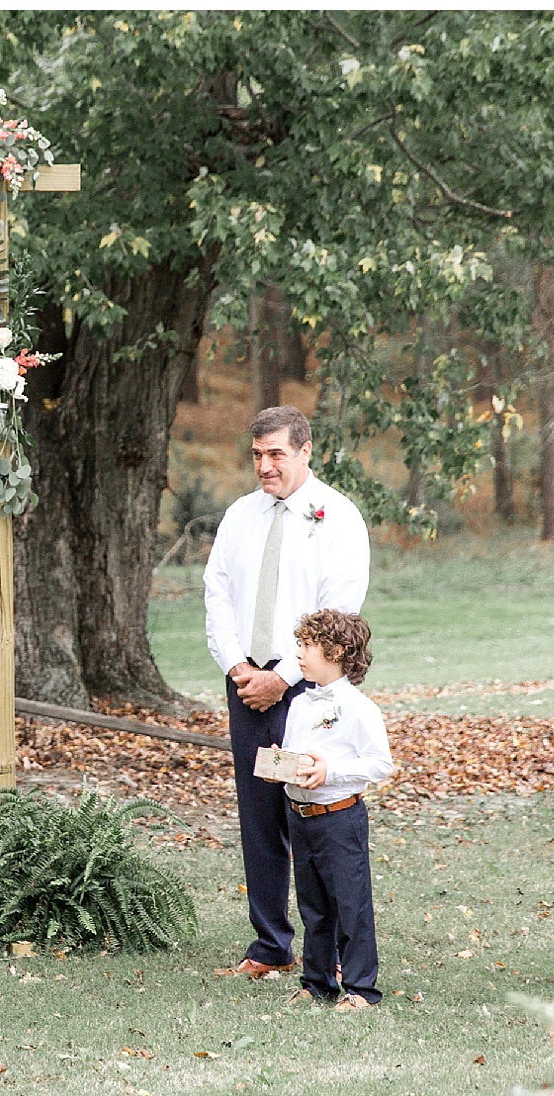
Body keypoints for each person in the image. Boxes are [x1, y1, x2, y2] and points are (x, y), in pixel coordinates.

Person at [203, 406, 370, 980]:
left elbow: (339, 610)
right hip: (247, 685)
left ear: (305, 450)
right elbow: (217, 594)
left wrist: (287, 677)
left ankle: (336, 950)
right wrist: (238, 667)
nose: (265, 466)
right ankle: (271, 943)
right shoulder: (240, 516)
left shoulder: (338, 518)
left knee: (314, 816)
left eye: (276, 453)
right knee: (259, 818)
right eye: (257, 455)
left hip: (309, 693)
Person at [263, 609, 393, 1012]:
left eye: (307, 646)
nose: (298, 654)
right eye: (298, 645)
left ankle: (361, 989)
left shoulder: (358, 708)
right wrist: (278, 767)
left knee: (350, 905)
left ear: (336, 651)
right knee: (313, 905)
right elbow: (298, 757)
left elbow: (379, 764)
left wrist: (330, 772)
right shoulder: (300, 704)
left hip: (339, 817)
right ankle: (317, 982)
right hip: (300, 817)